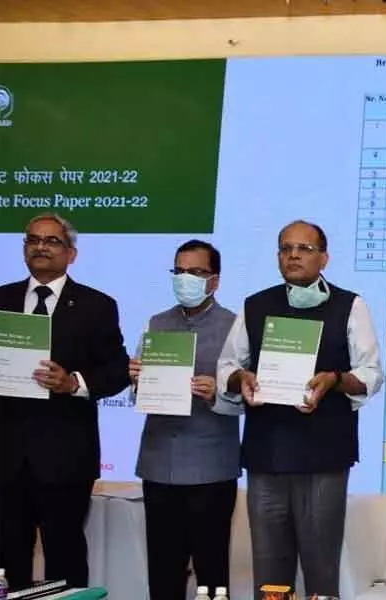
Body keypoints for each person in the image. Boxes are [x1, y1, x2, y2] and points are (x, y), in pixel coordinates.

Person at [216, 220, 383, 599]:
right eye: (285, 248)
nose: (293, 255)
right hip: (267, 456)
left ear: (324, 258)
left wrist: (335, 381)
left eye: (304, 249)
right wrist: (240, 378)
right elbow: (226, 368)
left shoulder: (350, 305)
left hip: (324, 456)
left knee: (322, 570)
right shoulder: (255, 305)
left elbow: (370, 374)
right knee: (270, 575)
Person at [0, 213, 130, 589]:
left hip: (66, 456)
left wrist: (73, 383)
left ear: (71, 253)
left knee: (65, 557)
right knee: (6, 558)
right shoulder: (0, 299)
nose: (41, 246)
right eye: (32, 239)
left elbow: (117, 371)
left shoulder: (96, 305)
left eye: (52, 241)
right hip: (5, 455)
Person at [129, 240, 240, 600]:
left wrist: (217, 393)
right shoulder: (156, 323)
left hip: (211, 468)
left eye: (195, 272)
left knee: (211, 574)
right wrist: (137, 380)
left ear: (215, 281)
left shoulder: (236, 327)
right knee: (162, 572)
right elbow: (139, 394)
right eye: (179, 271)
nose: (185, 279)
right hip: (159, 464)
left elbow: (252, 397)